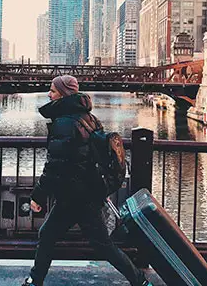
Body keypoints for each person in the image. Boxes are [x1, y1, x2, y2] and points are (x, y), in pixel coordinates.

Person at [22, 75, 152, 286]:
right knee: (101, 245)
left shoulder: (64, 123)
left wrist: (38, 195)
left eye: (52, 91)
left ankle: (34, 281)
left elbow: (55, 165)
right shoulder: (88, 118)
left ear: (63, 94)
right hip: (86, 192)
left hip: (74, 195)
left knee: (49, 235)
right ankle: (140, 281)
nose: (49, 94)